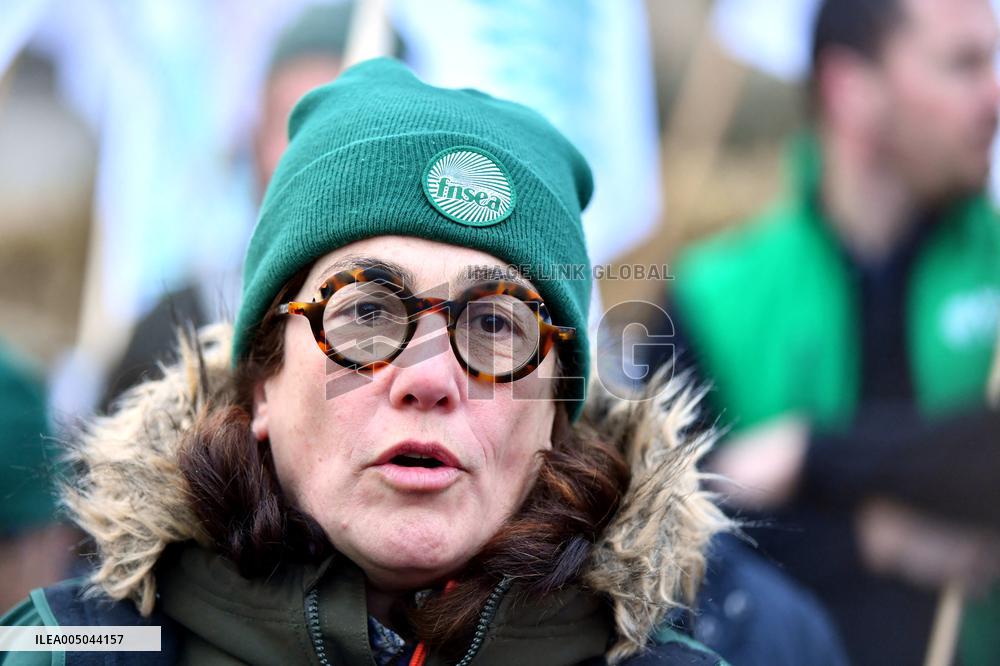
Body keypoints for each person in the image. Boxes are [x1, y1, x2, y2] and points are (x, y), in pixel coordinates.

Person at [1, 58, 730, 665]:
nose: (428, 378)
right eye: (369, 313)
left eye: (494, 325)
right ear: (260, 383)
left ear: (557, 418)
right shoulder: (74, 645)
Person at [655, 0, 1000, 663]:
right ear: (853, 89)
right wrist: (876, 538)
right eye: (964, 63)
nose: (994, 94)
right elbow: (673, 530)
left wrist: (808, 453)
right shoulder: (714, 294)